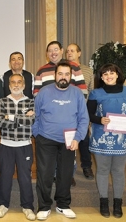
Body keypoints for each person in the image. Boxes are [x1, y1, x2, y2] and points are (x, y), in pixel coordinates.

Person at [32, 61, 89, 221]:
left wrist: (78, 138)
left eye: (66, 74)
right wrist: (37, 134)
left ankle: (63, 205)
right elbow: (35, 115)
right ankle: (43, 206)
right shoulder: (44, 92)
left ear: (70, 76)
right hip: (46, 140)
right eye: (60, 74)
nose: (63, 77)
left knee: (65, 174)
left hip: (69, 142)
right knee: (45, 174)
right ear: (54, 75)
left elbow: (84, 118)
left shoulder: (77, 93)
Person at [87, 63, 126, 218]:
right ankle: (103, 201)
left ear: (118, 74)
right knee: (102, 170)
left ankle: (118, 203)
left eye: (111, 73)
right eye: (105, 74)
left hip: (123, 138)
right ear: (101, 77)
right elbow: (89, 114)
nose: (108, 76)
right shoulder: (96, 93)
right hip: (101, 137)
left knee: (118, 171)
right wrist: (100, 119)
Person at [34, 41, 88, 187]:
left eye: (56, 49)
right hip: (48, 127)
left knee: (68, 164)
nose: (53, 53)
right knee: (47, 167)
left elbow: (82, 93)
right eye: (50, 50)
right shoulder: (41, 71)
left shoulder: (74, 67)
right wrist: (37, 133)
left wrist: (74, 114)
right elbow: (36, 98)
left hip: (70, 123)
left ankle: (67, 177)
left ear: (61, 51)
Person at [0, 73, 36, 221]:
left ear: (24, 85)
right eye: (13, 82)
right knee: (5, 176)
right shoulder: (3, 101)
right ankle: (3, 205)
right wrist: (21, 118)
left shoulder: (31, 102)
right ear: (9, 85)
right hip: (6, 144)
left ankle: (28, 206)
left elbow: (31, 121)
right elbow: (0, 121)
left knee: (25, 177)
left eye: (19, 82)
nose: (16, 85)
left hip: (25, 145)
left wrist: (10, 117)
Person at [66, 43, 95, 180]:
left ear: (79, 53)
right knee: (68, 140)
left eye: (72, 51)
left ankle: (87, 166)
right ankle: (69, 170)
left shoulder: (88, 70)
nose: (69, 53)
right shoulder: (64, 69)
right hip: (67, 111)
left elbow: (90, 91)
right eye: (67, 51)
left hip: (82, 110)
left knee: (84, 139)